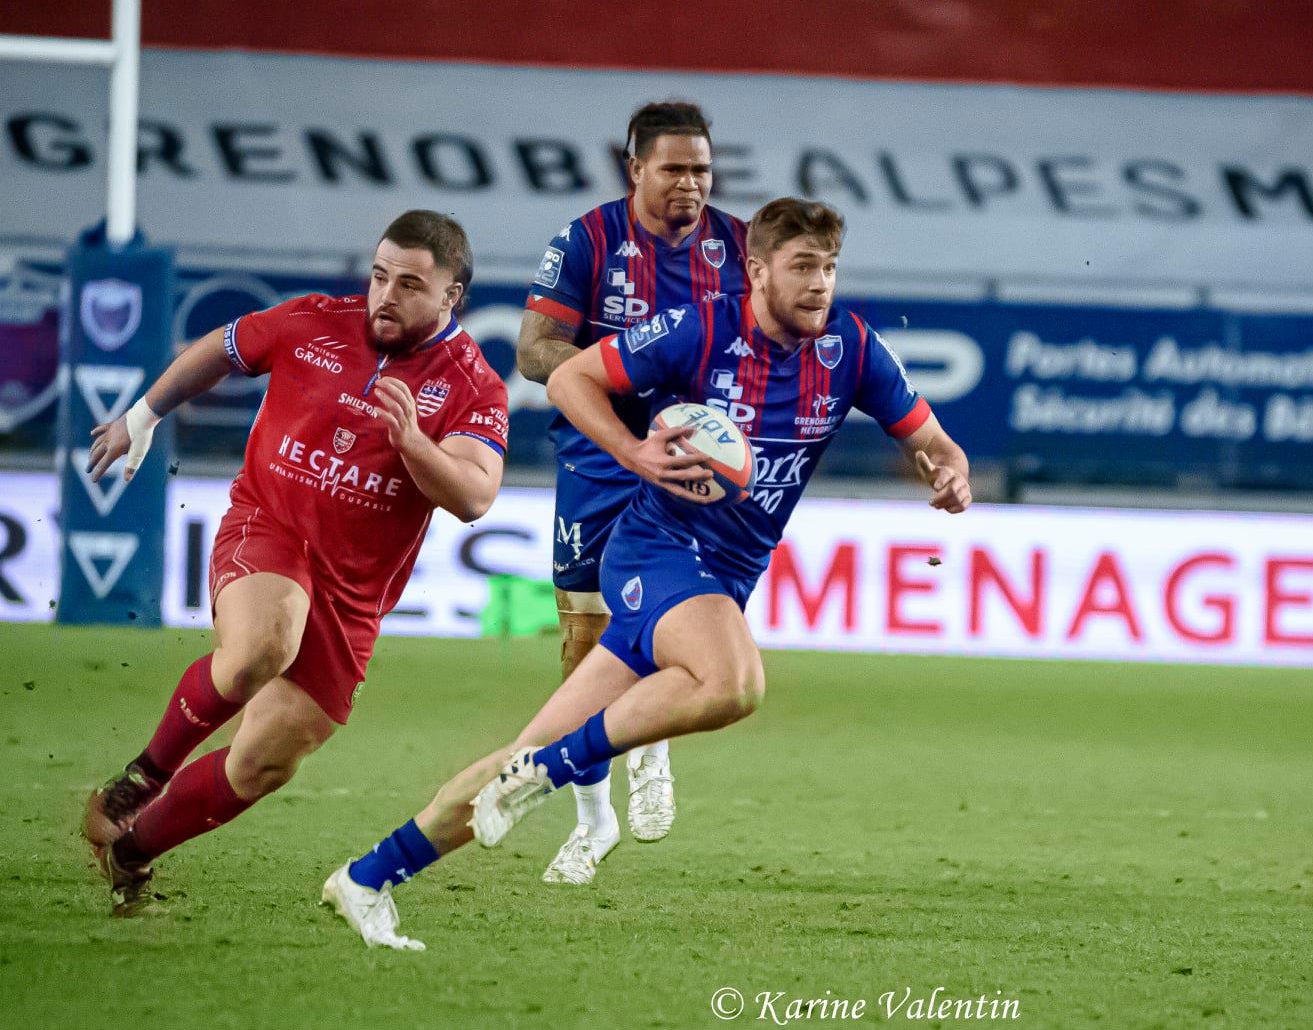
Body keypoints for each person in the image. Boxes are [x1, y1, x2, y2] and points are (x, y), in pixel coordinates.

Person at [323, 197, 971, 950]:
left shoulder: (852, 351)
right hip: (655, 550)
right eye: (802, 267)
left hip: (724, 576)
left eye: (828, 267)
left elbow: (936, 442)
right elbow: (568, 382)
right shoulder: (700, 327)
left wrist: (946, 473)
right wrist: (633, 454)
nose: (819, 283)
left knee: (520, 754)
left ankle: (368, 876)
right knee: (733, 682)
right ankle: (551, 771)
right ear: (757, 271)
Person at [80, 211, 508, 917]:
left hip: (352, 597)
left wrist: (414, 445)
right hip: (267, 528)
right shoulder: (311, 321)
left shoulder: (471, 386)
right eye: (378, 277)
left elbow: (474, 496)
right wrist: (144, 414)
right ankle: (142, 778)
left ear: (450, 297)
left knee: (264, 762)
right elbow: (219, 349)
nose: (385, 296)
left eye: (408, 284)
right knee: (263, 644)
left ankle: (129, 852)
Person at [516, 101, 749, 864]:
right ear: (636, 168)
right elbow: (533, 350)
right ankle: (593, 819)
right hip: (599, 456)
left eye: (703, 170)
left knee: (674, 623)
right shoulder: (587, 240)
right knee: (585, 648)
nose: (691, 183)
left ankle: (652, 752)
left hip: (690, 464)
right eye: (675, 168)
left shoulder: (739, 246)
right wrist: (619, 362)